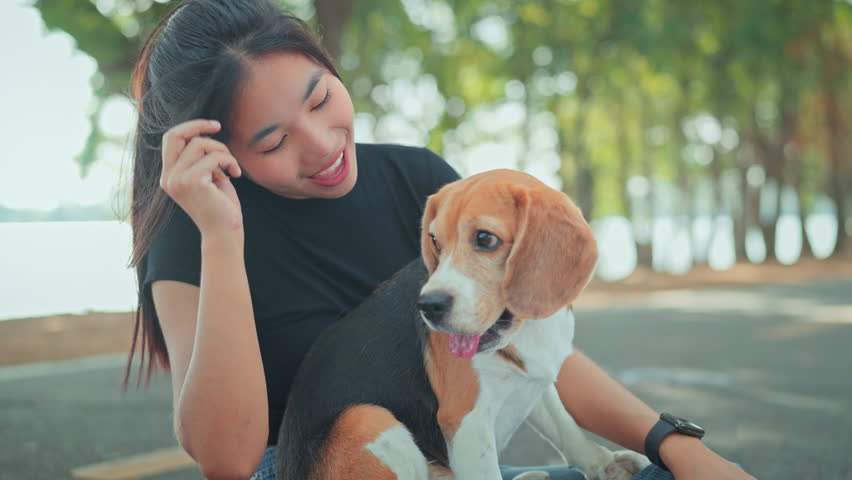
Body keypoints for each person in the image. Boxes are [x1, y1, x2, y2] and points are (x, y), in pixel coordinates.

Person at [125, 1, 754, 479]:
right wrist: (221, 234)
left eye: (320, 99)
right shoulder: (192, 235)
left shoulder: (421, 182)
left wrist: (673, 445)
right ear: (218, 151)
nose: (321, 145)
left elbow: (534, 341)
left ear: (329, 66)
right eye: (272, 141)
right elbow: (228, 460)